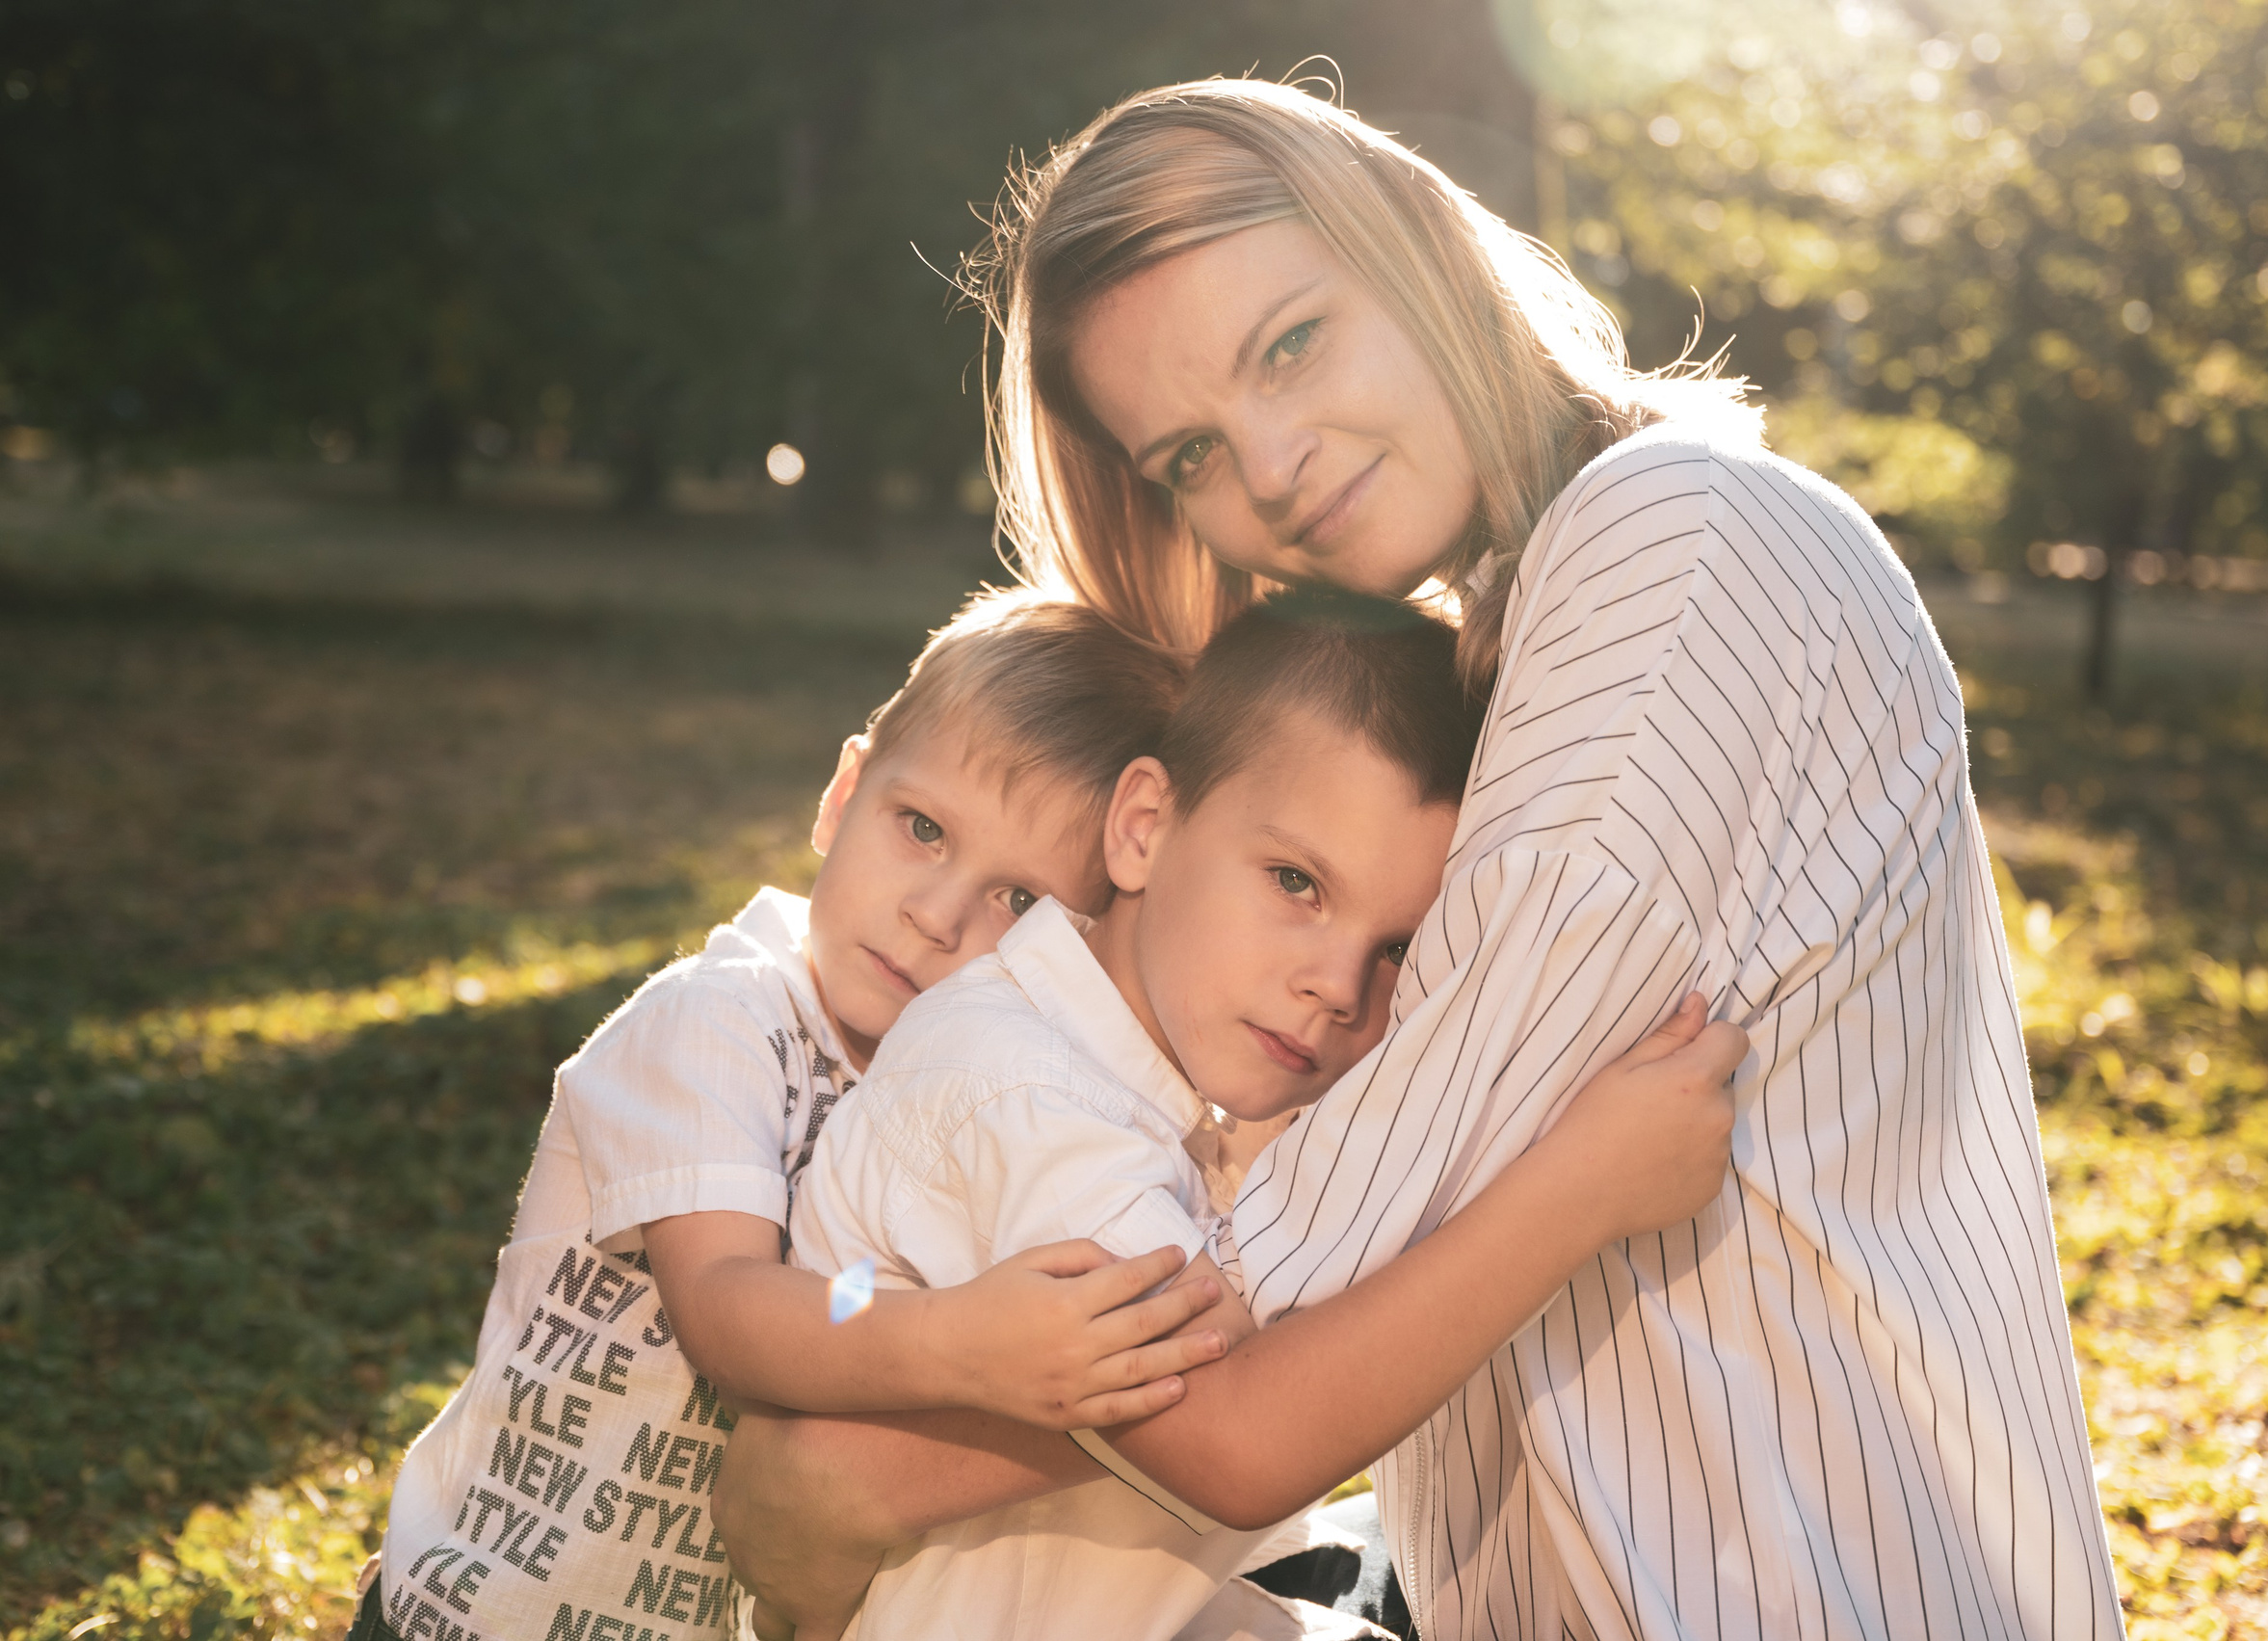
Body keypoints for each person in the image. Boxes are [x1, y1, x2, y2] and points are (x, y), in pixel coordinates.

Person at [735, 76, 2126, 1641]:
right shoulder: (1483, 659)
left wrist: (850, 1463)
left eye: (1292, 343)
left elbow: (1264, 1294)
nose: (1266, 465)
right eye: (1190, 451)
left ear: (1410, 246)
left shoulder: (1672, 546)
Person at [740, 588, 1743, 1641]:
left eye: (1396, 947)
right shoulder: (1023, 1095)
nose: (1337, 984)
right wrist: (1582, 1187)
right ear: (1142, 827)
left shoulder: (1118, 1074)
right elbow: (1233, 1443)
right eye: (1296, 881)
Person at [355, 593, 1238, 1641]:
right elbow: (728, 1308)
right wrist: (964, 1344)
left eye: (1017, 901)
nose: (937, 912)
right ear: (843, 792)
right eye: (922, 829)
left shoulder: (967, 1084)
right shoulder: (716, 1020)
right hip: (490, 1611)